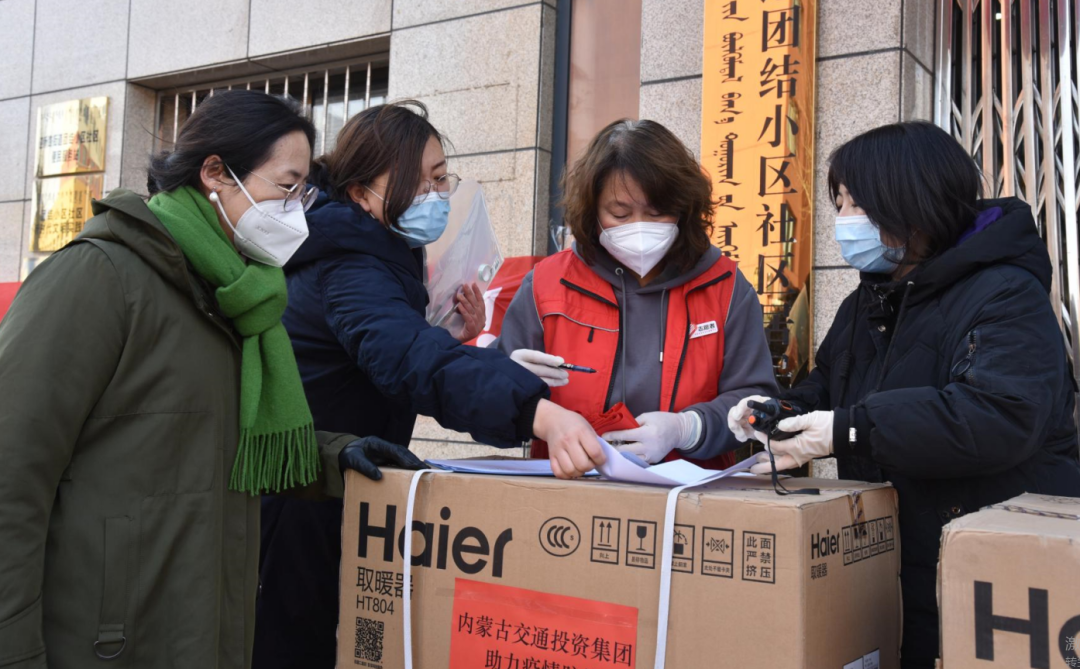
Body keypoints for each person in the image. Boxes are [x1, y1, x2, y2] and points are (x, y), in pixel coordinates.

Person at [0, 90, 423, 669]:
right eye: (286, 186)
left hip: (200, 631)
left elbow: (219, 442)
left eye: (304, 193)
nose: (297, 212)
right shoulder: (99, 277)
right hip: (105, 641)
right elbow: (11, 472)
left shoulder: (234, 297)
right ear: (216, 173)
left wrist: (334, 458)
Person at [254, 101, 602, 669]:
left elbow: (383, 351)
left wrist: (450, 336)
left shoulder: (376, 247)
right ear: (362, 192)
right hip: (299, 501)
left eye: (442, 179)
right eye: (422, 183)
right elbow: (409, 358)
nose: (436, 196)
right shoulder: (350, 264)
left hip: (331, 487)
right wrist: (536, 411)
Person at [727, 121, 1080, 668]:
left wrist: (848, 431)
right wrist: (779, 413)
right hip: (891, 563)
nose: (843, 220)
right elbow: (829, 386)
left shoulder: (1006, 292)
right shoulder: (868, 301)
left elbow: (997, 416)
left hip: (991, 570)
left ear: (910, 199)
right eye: (839, 204)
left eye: (855, 203)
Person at [495, 119, 777, 468]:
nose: (639, 228)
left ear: (684, 208)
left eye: (657, 213)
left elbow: (758, 402)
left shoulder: (725, 287)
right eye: (620, 213)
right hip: (569, 488)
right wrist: (509, 386)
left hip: (689, 495)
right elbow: (485, 403)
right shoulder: (547, 284)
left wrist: (689, 428)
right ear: (592, 211)